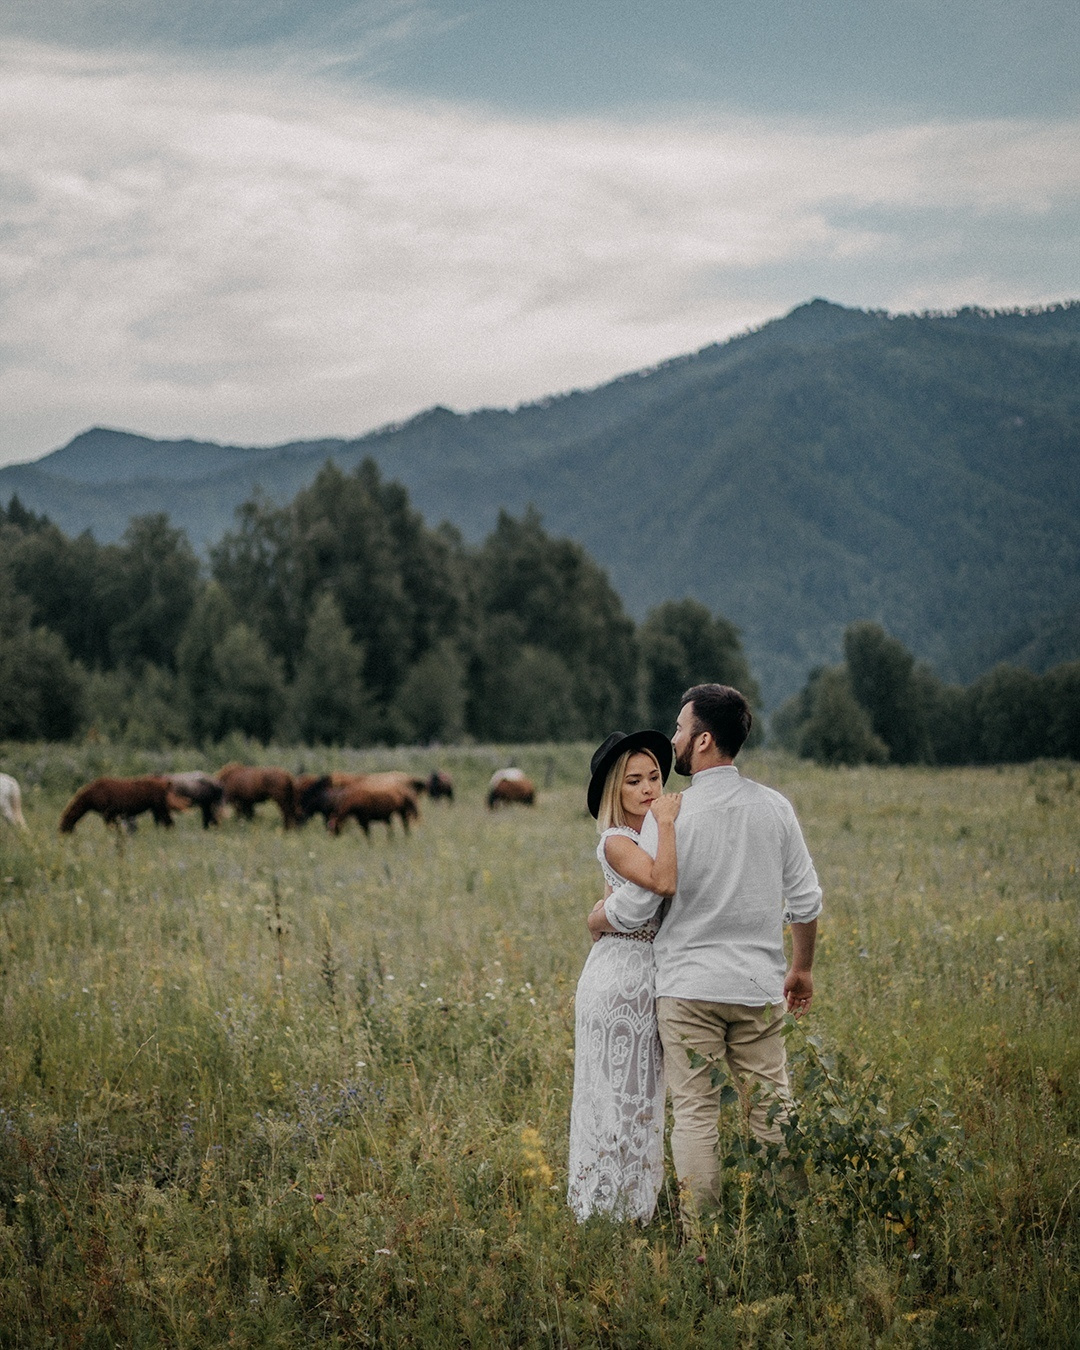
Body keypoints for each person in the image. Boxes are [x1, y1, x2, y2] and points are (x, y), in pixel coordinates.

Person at [589, 684, 822, 1233]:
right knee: (773, 1108)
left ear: (704, 740)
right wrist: (801, 968)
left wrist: (600, 915)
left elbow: (643, 899)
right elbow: (807, 900)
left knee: (696, 1115)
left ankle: (702, 1235)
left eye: (679, 728)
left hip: (687, 988)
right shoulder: (774, 807)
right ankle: (790, 1225)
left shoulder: (670, 815)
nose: (673, 739)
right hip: (758, 986)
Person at [567, 730, 682, 1223]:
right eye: (634, 781)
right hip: (617, 973)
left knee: (643, 1093)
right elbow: (653, 891)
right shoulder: (617, 840)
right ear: (617, 790)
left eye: (655, 777)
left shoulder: (654, 834)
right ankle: (604, 1206)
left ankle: (638, 1200)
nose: (648, 789)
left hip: (647, 974)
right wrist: (602, 918)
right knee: (612, 1093)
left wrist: (600, 912)